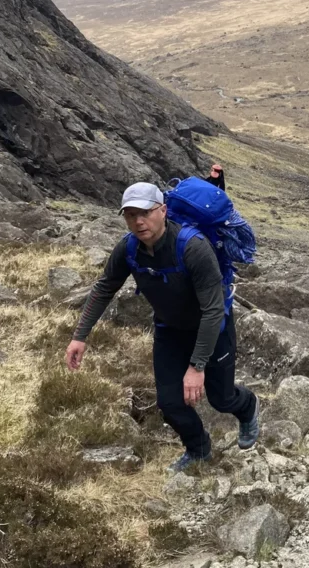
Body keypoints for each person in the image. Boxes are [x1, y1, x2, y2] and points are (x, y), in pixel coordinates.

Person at [64, 181, 259, 472]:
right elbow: (105, 287)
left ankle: (248, 406)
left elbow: (213, 310)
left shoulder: (193, 248)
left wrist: (197, 366)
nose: (138, 221)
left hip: (212, 329)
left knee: (221, 399)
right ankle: (199, 450)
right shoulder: (128, 248)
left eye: (146, 212)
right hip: (170, 331)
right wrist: (79, 337)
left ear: (163, 211)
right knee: (170, 403)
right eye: (131, 215)